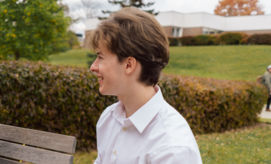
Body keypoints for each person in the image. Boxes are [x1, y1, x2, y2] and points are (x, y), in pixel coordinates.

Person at [86, 7, 202, 164]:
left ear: (129, 65)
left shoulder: (171, 148)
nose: (93, 67)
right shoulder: (108, 118)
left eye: (100, 57)